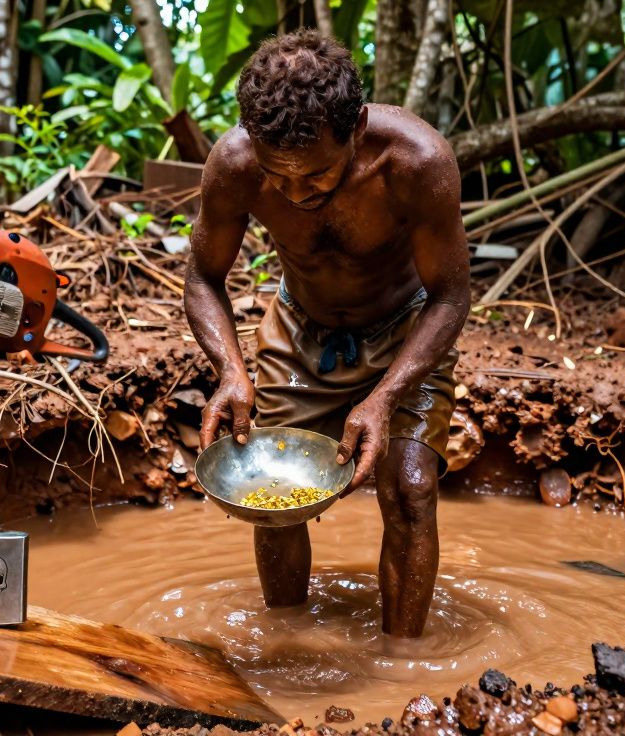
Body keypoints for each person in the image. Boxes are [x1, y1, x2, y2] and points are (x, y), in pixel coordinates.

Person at [183, 29, 470, 638]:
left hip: (406, 327)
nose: (294, 192)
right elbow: (203, 279)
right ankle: (286, 646)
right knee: (272, 499)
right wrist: (231, 372)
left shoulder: (419, 163)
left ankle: (403, 668)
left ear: (357, 128)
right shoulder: (233, 166)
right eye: (276, 175)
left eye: (315, 175)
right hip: (300, 329)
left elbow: (450, 296)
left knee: (412, 490)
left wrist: (386, 396)